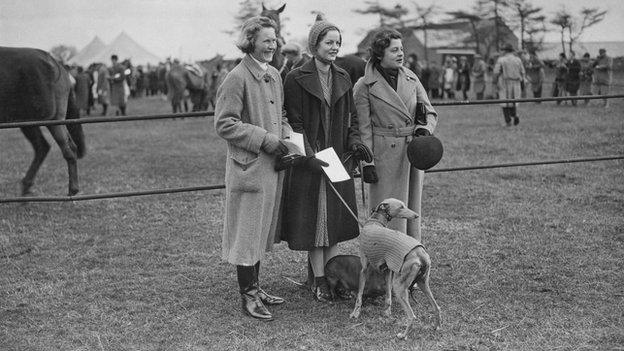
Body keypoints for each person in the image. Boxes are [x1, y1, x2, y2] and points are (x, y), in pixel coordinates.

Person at [280, 17, 371, 303]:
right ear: (314, 45)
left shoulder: (343, 77)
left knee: (334, 221)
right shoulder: (296, 78)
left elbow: (353, 119)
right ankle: (319, 280)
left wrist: (355, 143)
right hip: (311, 160)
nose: (334, 48)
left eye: (338, 43)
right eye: (329, 43)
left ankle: (335, 278)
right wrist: (308, 156)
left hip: (338, 158)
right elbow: (293, 123)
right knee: (314, 220)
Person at [214, 16, 291, 321]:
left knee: (259, 232)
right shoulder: (235, 77)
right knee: (247, 233)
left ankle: (256, 288)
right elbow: (224, 123)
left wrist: (285, 137)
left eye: (275, 40)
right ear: (250, 42)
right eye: (266, 40)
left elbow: (280, 112)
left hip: (270, 167)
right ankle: (248, 295)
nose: (273, 45)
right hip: (248, 167)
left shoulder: (273, 73)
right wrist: (265, 140)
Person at [353, 28, 438, 242]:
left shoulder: (411, 77)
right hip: (383, 156)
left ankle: (410, 256)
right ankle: (384, 258)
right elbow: (363, 128)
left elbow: (429, 112)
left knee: (410, 211)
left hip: (412, 153)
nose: (401, 54)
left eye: (401, 49)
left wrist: (424, 129)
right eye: (394, 50)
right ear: (379, 54)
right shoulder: (364, 86)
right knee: (386, 212)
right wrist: (367, 163)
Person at [493, 43, 525, 126]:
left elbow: (496, 72)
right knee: (513, 102)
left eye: (502, 50)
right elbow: (522, 72)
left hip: (505, 82)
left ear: (505, 51)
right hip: (516, 82)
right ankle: (515, 115)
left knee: (505, 103)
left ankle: (508, 121)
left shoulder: (501, 60)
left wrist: (494, 83)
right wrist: (522, 84)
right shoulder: (518, 59)